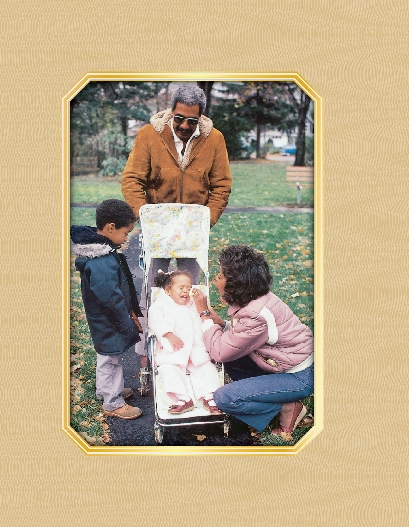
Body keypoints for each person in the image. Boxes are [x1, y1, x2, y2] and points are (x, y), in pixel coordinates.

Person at [121, 84, 232, 366]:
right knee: (152, 290)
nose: (184, 125)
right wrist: (144, 215)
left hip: (192, 232)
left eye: (191, 120)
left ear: (200, 118)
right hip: (157, 228)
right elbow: (132, 179)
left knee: (190, 291)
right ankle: (147, 353)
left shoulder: (214, 139)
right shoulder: (149, 135)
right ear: (172, 112)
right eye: (179, 118)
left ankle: (191, 350)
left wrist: (206, 220)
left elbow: (221, 185)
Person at [191, 245, 314, 440]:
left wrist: (204, 314)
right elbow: (244, 335)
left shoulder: (256, 314)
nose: (216, 279)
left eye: (221, 276)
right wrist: (222, 323)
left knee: (224, 397)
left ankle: (287, 406)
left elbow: (219, 351)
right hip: (286, 365)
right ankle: (267, 396)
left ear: (236, 284)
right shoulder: (258, 299)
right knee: (233, 358)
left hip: (297, 378)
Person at [70, 199, 144, 420]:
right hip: (108, 319)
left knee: (107, 357)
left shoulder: (104, 250)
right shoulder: (100, 260)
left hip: (104, 318)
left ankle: (107, 390)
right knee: (111, 359)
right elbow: (110, 298)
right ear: (110, 228)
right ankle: (113, 403)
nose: (126, 238)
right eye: (125, 233)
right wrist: (125, 322)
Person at [148, 270, 221, 414]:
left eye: (188, 288)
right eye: (181, 288)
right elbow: (154, 320)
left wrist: (202, 306)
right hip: (173, 351)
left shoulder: (193, 305)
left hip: (195, 350)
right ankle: (184, 398)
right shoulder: (161, 305)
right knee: (168, 369)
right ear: (168, 291)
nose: (185, 292)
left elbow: (204, 317)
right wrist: (168, 334)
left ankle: (210, 397)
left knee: (207, 369)